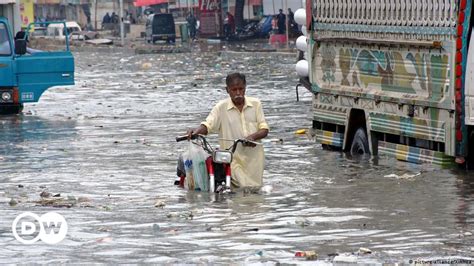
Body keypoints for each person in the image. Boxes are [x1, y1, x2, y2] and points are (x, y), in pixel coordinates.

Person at [186, 73, 269, 188]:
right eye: (234, 90)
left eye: (241, 89)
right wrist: (196, 131)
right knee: (243, 187)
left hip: (254, 160)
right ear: (227, 90)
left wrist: (252, 137)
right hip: (232, 159)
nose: (238, 93)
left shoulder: (256, 104)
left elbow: (264, 129)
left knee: (254, 192)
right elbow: (208, 124)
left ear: (245, 87)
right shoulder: (221, 107)